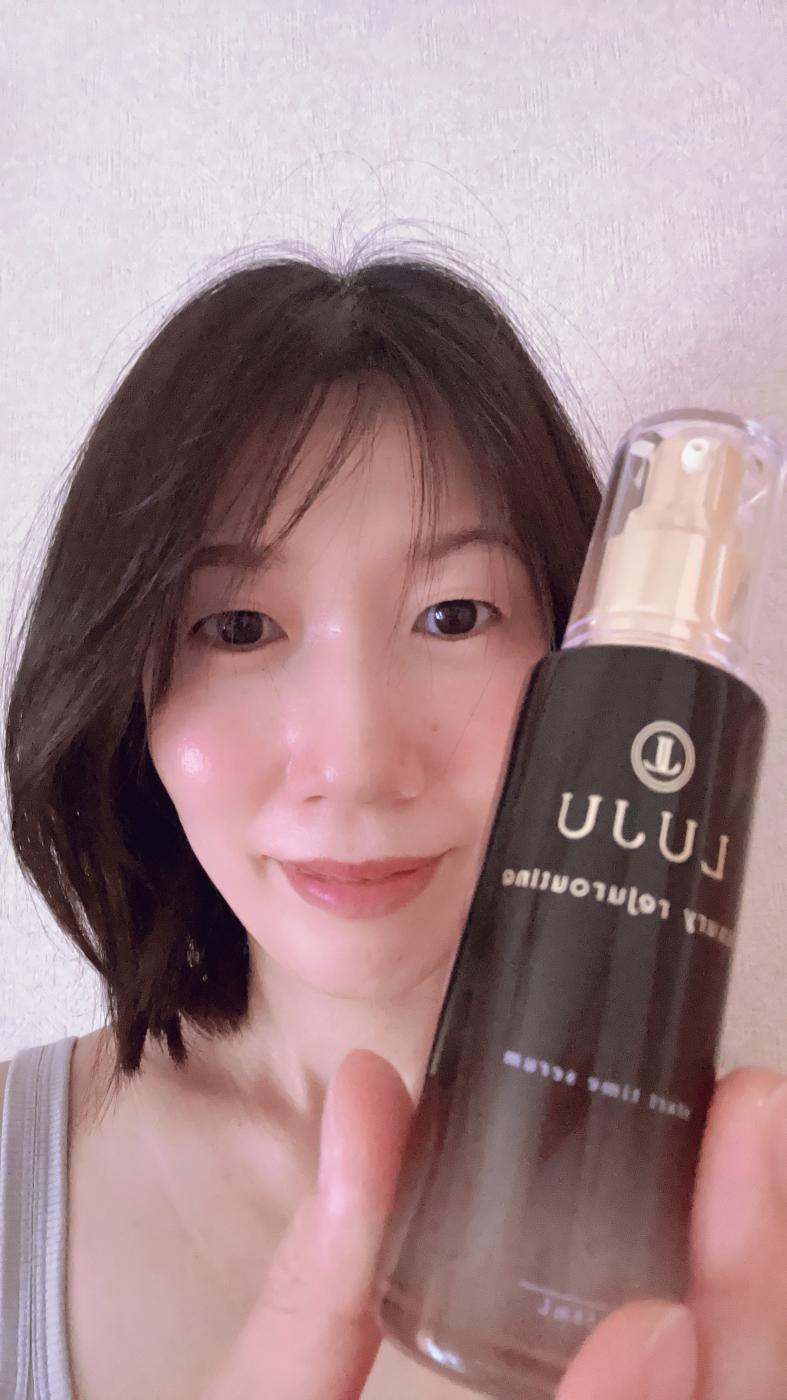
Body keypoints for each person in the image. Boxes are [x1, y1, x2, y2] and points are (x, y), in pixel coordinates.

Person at [0, 253, 785, 1400]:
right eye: (238, 626)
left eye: (453, 613)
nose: (360, 760)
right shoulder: (18, 1169)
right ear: (125, 686)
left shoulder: (741, 1224)